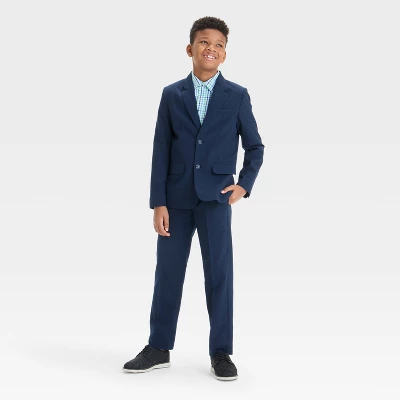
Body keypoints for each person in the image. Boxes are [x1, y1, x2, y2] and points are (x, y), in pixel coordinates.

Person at [123, 16, 264, 381]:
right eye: (204, 42)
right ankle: (158, 347)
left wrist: (243, 185)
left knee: (219, 275)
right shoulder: (172, 94)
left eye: (218, 45)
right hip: (176, 200)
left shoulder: (236, 95)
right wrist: (158, 202)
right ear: (190, 49)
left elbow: (255, 146)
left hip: (217, 199)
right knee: (167, 272)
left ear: (225, 54)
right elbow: (161, 150)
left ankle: (221, 352)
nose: (210, 49)